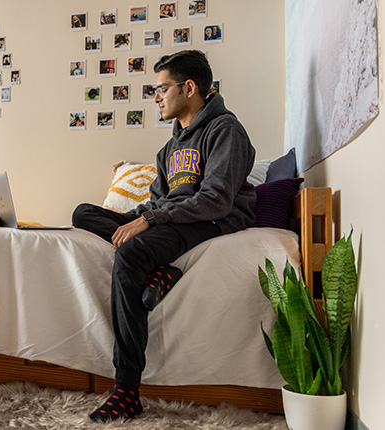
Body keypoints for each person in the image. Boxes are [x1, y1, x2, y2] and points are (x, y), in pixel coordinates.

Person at [71, 50, 256, 422]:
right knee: (82, 213)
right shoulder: (169, 148)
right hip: (173, 221)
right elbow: (156, 201)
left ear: (189, 88)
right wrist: (139, 217)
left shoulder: (225, 131)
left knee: (129, 255)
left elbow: (217, 200)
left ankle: (126, 391)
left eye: (161, 88)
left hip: (212, 221)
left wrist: (150, 220)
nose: (156, 96)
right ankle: (162, 272)